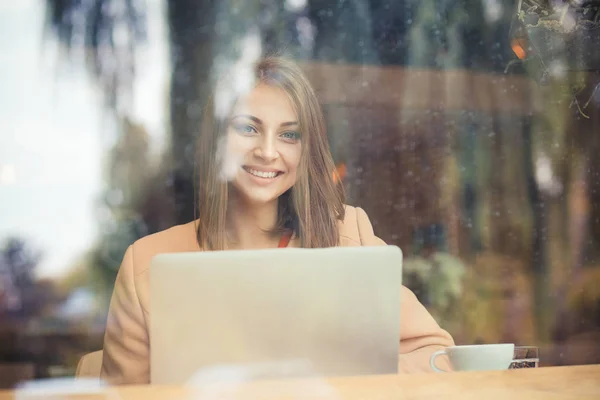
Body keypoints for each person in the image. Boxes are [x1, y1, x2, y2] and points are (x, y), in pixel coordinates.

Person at [100, 56, 454, 385]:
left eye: (289, 134)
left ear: (306, 148)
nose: (268, 152)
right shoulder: (146, 263)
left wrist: (339, 380)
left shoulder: (348, 233)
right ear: (217, 140)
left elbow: (438, 357)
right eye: (248, 128)